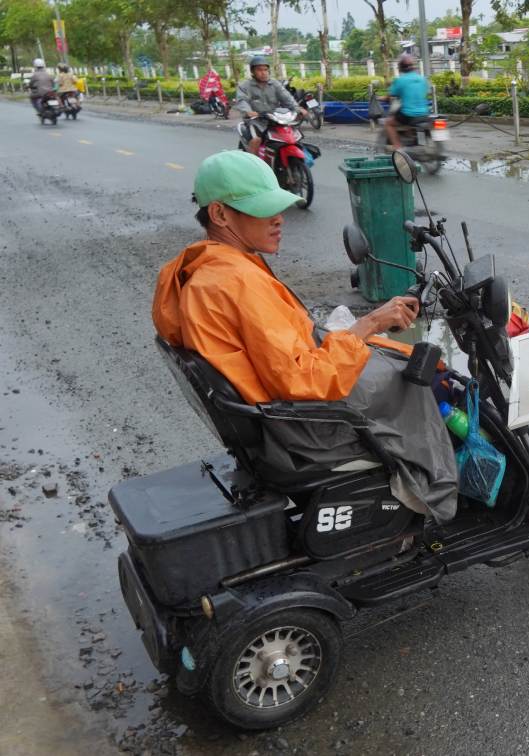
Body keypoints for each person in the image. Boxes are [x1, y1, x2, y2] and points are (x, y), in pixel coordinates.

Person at [152, 150, 458, 521]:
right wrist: (369, 325)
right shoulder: (235, 282)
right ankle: (434, 499)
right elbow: (304, 378)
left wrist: (349, 332)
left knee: (399, 358)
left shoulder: (202, 269)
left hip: (278, 412)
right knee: (427, 381)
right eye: (263, 209)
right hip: (306, 431)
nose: (279, 219)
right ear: (219, 214)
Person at [234, 55, 306, 156]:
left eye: (265, 69)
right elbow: (241, 101)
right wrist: (248, 111)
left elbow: (287, 98)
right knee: (256, 140)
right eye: (259, 70)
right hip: (256, 119)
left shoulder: (275, 84)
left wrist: (297, 109)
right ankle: (254, 166)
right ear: (253, 72)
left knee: (293, 136)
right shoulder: (245, 86)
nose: (263, 72)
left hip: (275, 118)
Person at [382, 54, 430, 150]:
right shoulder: (422, 79)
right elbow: (426, 92)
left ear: (401, 68)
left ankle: (398, 148)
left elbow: (390, 95)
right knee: (405, 121)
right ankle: (410, 138)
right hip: (425, 113)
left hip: (409, 114)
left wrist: (381, 98)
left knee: (389, 123)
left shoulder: (400, 80)